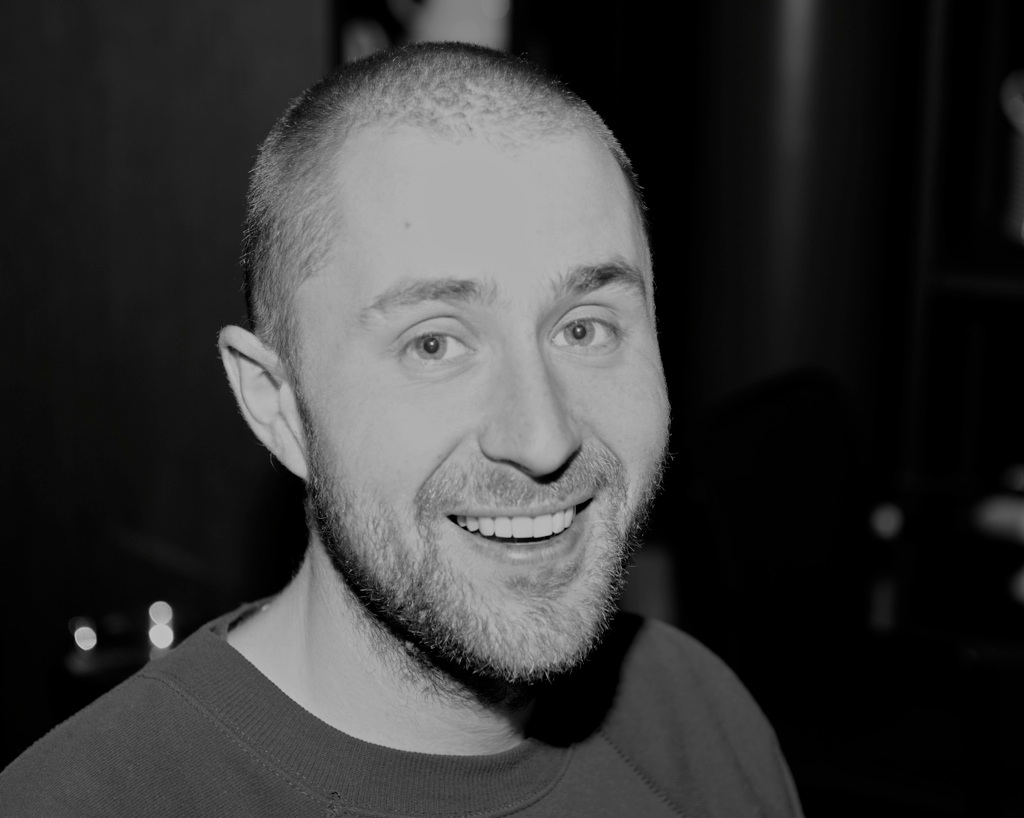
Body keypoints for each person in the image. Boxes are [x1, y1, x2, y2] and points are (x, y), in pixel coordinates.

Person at [0, 42, 803, 816]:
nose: (543, 437)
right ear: (276, 403)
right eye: (435, 344)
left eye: (584, 329)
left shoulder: (699, 715)